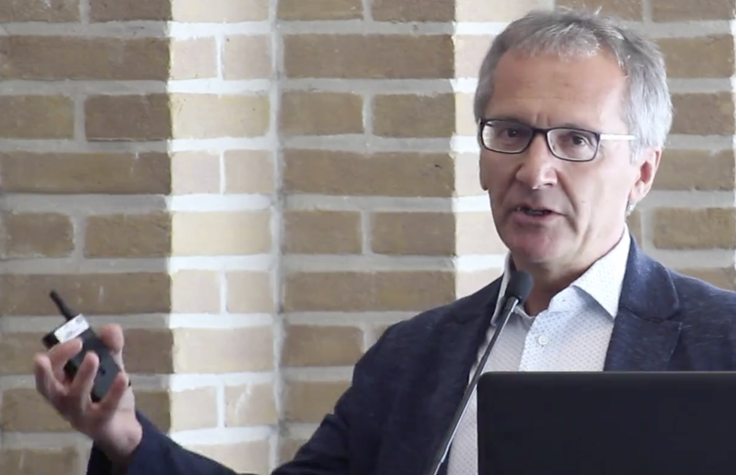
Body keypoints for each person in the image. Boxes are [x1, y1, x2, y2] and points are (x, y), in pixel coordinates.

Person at [34, 7, 736, 475]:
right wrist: (126, 437)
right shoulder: (414, 359)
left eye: (576, 140)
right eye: (511, 132)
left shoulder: (720, 345)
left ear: (642, 171)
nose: (534, 169)